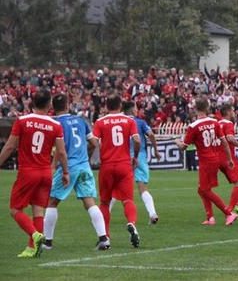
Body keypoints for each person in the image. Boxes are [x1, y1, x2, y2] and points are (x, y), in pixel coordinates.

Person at [0, 89, 69, 258]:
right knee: (38, 212)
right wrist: (65, 171)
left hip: (28, 172)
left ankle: (35, 235)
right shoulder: (55, 124)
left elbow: (10, 146)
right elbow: (61, 151)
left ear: (33, 102)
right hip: (45, 173)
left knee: (15, 209)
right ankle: (33, 248)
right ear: (49, 105)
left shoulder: (22, 121)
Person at [43, 94, 109, 251]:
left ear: (54, 107)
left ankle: (47, 242)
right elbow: (94, 143)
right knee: (90, 202)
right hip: (84, 166)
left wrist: (53, 167)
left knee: (52, 202)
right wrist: (86, 155)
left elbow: (60, 150)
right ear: (67, 106)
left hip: (69, 167)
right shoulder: (81, 121)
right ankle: (103, 239)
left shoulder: (56, 123)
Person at [175, 98, 238, 226]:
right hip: (215, 158)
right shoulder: (214, 122)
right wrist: (229, 158)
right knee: (202, 189)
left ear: (195, 109)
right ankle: (210, 218)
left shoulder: (193, 126)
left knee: (204, 190)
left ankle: (228, 213)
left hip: (206, 161)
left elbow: (183, 147)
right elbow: (224, 142)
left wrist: (176, 141)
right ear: (207, 108)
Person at [93, 94, 142, 247]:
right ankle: (131, 223)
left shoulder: (100, 122)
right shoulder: (129, 121)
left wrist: (101, 148)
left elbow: (93, 141)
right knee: (128, 200)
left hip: (107, 165)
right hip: (124, 164)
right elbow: (137, 140)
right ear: (120, 106)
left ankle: (105, 237)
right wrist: (135, 156)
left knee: (105, 202)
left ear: (107, 106)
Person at [113, 101, 161, 224]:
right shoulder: (140, 122)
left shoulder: (119, 122)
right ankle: (152, 213)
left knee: (115, 188)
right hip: (139, 157)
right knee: (143, 188)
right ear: (133, 110)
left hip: (122, 159)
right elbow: (151, 135)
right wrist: (156, 151)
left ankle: (104, 214)